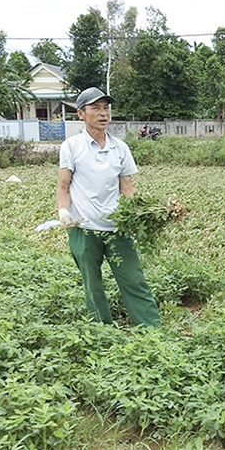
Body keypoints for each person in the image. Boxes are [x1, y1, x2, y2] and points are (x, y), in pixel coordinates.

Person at [56, 87, 161, 328]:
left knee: (134, 279)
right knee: (92, 284)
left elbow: (127, 187)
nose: (103, 114)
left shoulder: (120, 148)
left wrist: (143, 211)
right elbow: (63, 187)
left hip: (117, 228)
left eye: (106, 108)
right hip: (83, 229)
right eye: (96, 108)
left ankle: (152, 330)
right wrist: (64, 212)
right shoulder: (71, 147)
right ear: (81, 114)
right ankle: (102, 331)